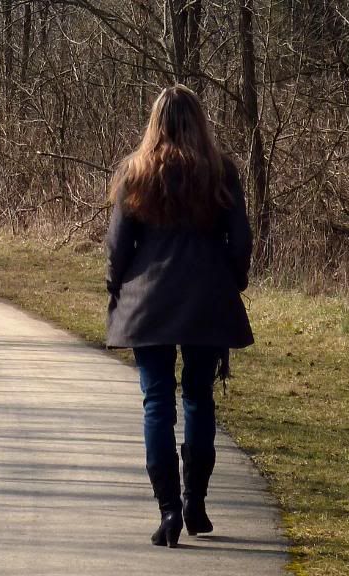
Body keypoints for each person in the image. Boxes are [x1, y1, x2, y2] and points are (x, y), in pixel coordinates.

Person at [105, 85, 253, 548]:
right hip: (207, 298)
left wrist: (117, 288)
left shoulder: (136, 171)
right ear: (199, 120)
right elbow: (241, 242)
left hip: (149, 302)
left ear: (155, 121)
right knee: (198, 398)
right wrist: (232, 281)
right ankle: (195, 501)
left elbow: (117, 246)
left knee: (156, 403)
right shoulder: (221, 171)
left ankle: (168, 510)